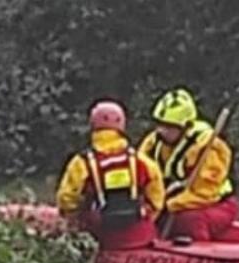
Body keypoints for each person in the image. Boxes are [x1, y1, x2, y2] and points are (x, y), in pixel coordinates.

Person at [56, 100, 164, 250]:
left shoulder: (81, 163)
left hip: (102, 238)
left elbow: (66, 200)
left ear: (93, 126)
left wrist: (74, 222)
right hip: (140, 238)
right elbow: (157, 201)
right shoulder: (143, 162)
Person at [139, 88, 239, 241]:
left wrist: (171, 204)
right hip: (169, 203)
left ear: (185, 127)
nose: (161, 131)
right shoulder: (153, 144)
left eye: (169, 127)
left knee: (188, 221)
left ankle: (200, 258)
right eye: (159, 124)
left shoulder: (208, 148)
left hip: (214, 204)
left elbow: (205, 193)